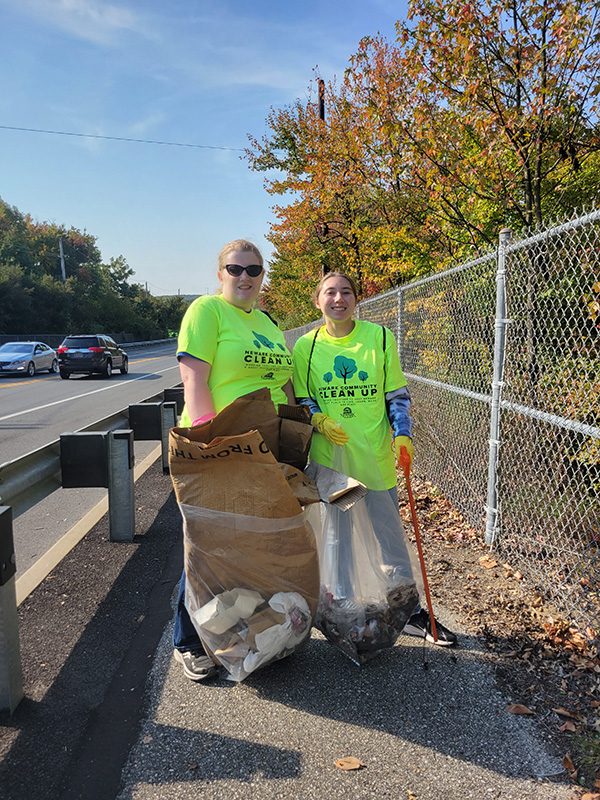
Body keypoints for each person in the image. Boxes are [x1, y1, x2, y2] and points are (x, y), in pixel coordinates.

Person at [292, 271, 457, 646]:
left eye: (346, 292)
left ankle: (410, 611)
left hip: (376, 456)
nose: (338, 299)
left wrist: (403, 434)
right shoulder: (306, 347)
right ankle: (344, 610)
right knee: (339, 540)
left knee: (390, 537)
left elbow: (395, 394)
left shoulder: (379, 338)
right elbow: (302, 397)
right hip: (332, 461)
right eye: (330, 293)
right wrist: (318, 417)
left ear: (356, 299)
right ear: (318, 301)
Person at [173, 239, 294, 681]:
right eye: (235, 268)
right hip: (218, 447)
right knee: (206, 547)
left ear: (263, 275)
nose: (245, 276)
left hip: (264, 449)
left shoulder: (265, 321)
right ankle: (188, 641)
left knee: (251, 546)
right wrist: (210, 443)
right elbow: (193, 380)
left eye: (254, 269)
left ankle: (242, 634)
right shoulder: (207, 311)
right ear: (220, 274)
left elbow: (281, 385)